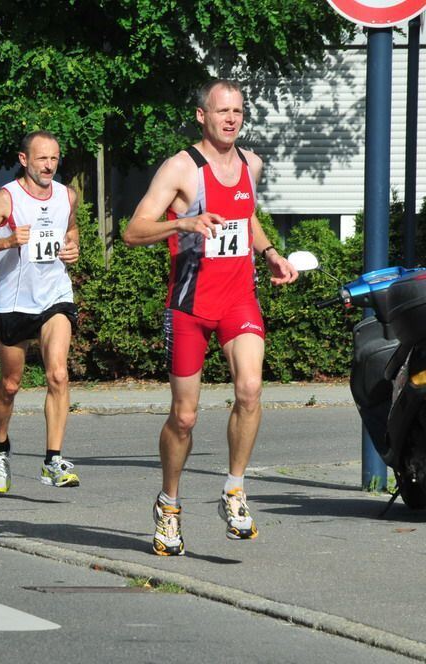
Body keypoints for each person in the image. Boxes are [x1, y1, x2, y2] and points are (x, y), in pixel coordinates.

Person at [122, 79, 299, 556]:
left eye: (238, 111)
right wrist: (183, 222)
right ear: (201, 115)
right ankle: (169, 504)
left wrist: (270, 252)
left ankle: (235, 489)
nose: (231, 119)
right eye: (222, 111)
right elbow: (133, 231)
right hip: (190, 306)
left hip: (239, 299)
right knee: (184, 417)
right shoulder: (182, 168)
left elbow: (248, 218)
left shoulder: (251, 164)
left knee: (250, 388)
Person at [0, 131, 81, 495]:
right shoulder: (6, 198)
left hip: (55, 296)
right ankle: (1, 448)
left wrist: (73, 246)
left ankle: (53, 460)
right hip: (15, 303)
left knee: (58, 375)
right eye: (42, 158)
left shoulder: (67, 195)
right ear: (24, 159)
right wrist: (8, 241)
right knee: (11, 385)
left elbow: (71, 229)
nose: (49, 165)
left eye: (55, 158)